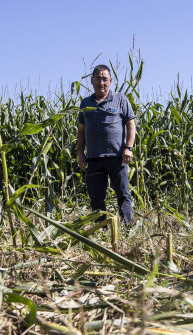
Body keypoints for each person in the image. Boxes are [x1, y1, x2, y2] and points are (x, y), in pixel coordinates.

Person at [77, 64, 136, 225]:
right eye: (98, 78)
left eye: (105, 79)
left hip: (117, 157)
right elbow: (81, 131)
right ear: (91, 80)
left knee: (123, 195)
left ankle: (127, 228)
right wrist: (81, 154)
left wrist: (128, 148)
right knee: (96, 197)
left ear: (110, 81)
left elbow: (131, 124)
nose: (101, 82)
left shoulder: (120, 99)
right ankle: (100, 229)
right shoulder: (85, 103)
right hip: (94, 159)